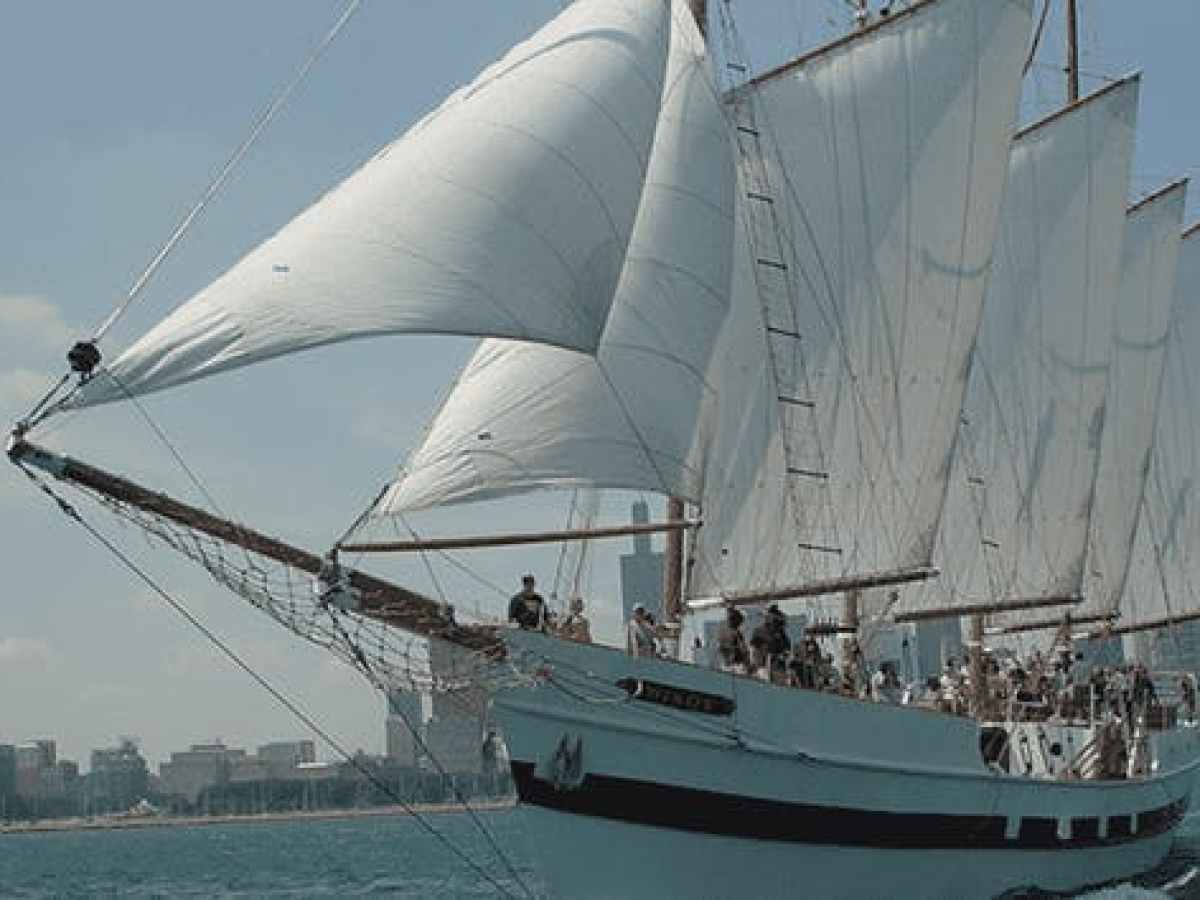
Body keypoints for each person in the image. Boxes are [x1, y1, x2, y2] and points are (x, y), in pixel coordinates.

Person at [750, 604, 792, 682]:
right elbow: (753, 648)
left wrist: (783, 655)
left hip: (777, 668)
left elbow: (787, 649)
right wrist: (754, 663)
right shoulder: (759, 631)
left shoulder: (782, 634)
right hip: (763, 666)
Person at [715, 605, 749, 671]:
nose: (739, 624)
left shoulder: (738, 633)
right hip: (731, 663)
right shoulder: (724, 632)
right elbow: (721, 648)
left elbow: (743, 649)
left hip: (738, 663)